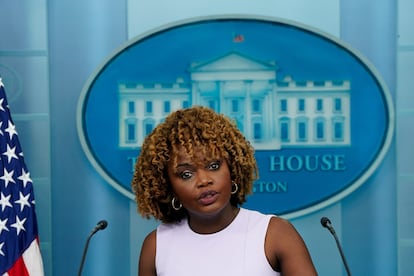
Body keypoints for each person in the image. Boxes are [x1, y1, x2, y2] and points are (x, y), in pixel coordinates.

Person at [131, 106, 317, 276]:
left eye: (213, 165)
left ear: (232, 169)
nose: (204, 180)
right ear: (167, 186)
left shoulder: (274, 233)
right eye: (186, 174)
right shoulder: (156, 246)